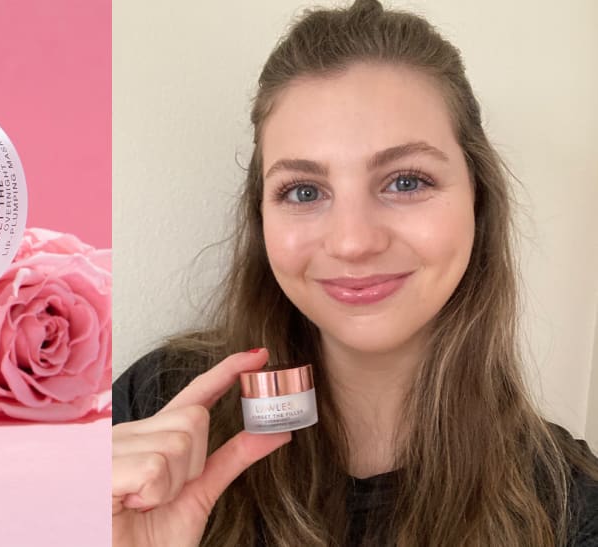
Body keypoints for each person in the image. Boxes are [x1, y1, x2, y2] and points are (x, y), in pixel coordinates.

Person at [111, 1, 598, 546]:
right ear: (262, 218)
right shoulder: (155, 411)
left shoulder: (565, 501)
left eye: (407, 182)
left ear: (478, 199)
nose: (353, 241)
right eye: (304, 191)